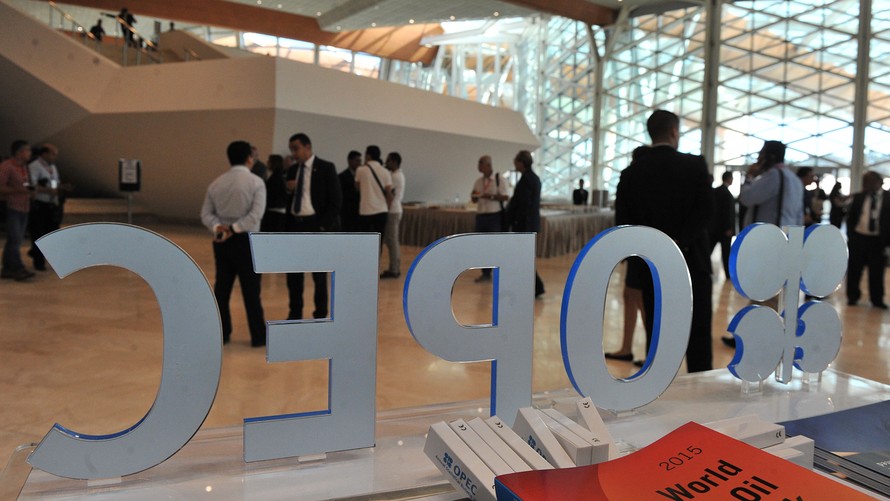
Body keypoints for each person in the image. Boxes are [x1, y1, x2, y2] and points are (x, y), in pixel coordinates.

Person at [614, 110, 714, 372]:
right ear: (673, 132)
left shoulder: (631, 173)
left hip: (652, 266)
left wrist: (656, 249)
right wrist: (680, 242)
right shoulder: (695, 165)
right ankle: (702, 395)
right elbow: (706, 211)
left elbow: (624, 225)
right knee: (699, 335)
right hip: (693, 263)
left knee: (657, 334)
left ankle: (658, 391)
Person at [200, 140, 266, 346]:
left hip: (222, 242)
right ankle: (258, 336)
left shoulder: (216, 183)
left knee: (222, 288)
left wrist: (219, 227)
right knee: (251, 291)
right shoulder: (256, 182)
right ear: (249, 158)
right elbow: (256, 215)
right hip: (248, 242)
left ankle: (223, 332)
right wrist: (235, 228)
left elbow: (205, 214)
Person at [285, 133, 341, 320]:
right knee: (293, 273)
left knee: (318, 274)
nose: (293, 153)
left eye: (296, 148)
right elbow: (287, 199)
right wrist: (288, 189)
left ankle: (320, 312)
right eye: (291, 149)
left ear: (308, 147)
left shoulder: (325, 168)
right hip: (295, 224)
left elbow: (336, 201)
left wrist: (323, 227)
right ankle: (295, 312)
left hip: (316, 225)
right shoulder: (293, 170)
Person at [845, 171, 890, 309]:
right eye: (865, 182)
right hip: (859, 238)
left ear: (879, 182)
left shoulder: (888, 198)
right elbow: (850, 218)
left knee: (877, 271)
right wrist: (851, 237)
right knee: (855, 269)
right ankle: (852, 296)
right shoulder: (859, 197)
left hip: (878, 241)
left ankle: (877, 299)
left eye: (870, 182)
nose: (867, 185)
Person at [506, 150, 545, 298]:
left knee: (523, 257)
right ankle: (533, 286)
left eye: (516, 161)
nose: (514, 164)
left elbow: (523, 203)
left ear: (521, 162)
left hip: (524, 224)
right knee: (525, 257)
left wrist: (514, 219)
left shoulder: (526, 180)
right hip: (530, 223)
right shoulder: (534, 178)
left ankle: (536, 286)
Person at [738, 140, 804, 227]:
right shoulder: (795, 179)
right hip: (786, 231)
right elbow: (799, 214)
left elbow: (747, 198)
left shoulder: (774, 176)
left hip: (768, 234)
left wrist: (749, 177)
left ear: (770, 156)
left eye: (761, 154)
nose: (758, 159)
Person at [27, 144, 70, 271]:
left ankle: (38, 253)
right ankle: (38, 261)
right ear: (44, 154)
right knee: (39, 233)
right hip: (40, 204)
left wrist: (60, 187)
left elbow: (53, 182)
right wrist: (47, 191)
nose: (55, 157)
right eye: (53, 154)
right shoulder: (34, 166)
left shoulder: (52, 167)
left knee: (52, 232)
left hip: (51, 204)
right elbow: (32, 185)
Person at [0, 140, 36, 281]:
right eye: (27, 150)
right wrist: (19, 190)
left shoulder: (24, 167)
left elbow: (25, 184)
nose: (29, 153)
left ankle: (8, 269)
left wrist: (30, 191)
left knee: (16, 240)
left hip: (24, 207)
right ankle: (18, 268)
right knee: (15, 239)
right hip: (12, 207)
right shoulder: (6, 166)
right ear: (19, 152)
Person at [470, 154, 509, 282]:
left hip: (494, 216)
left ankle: (497, 271)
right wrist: (475, 197)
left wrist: (491, 197)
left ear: (488, 165)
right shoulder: (478, 181)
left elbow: (505, 196)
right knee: (481, 245)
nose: (478, 166)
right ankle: (485, 273)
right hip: (481, 215)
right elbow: (474, 198)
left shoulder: (499, 179)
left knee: (493, 245)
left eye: (481, 163)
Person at [355, 145, 392, 239]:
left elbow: (357, 188)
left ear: (368, 155)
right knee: (378, 241)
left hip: (366, 210)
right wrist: (387, 208)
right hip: (381, 211)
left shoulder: (360, 170)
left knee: (365, 241)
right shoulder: (386, 172)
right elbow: (389, 193)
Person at [380, 152, 404, 279]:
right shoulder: (397, 175)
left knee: (392, 241)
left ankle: (394, 269)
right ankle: (393, 268)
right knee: (391, 241)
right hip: (395, 210)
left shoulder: (395, 176)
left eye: (388, 160)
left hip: (393, 211)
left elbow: (390, 194)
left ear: (394, 162)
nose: (386, 162)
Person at [709, 171, 736, 279]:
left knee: (708, 251)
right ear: (729, 179)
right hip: (725, 230)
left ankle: (706, 271)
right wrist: (729, 227)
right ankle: (728, 275)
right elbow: (727, 212)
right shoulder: (727, 194)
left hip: (714, 228)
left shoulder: (715, 191)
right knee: (726, 254)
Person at [260, 154, 288, 232]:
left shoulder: (276, 178)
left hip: (275, 211)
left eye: (269, 161)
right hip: (275, 210)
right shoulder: (276, 176)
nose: (267, 162)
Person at [339, 150, 362, 232]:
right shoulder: (342, 177)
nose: (359, 163)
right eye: (357, 160)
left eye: (360, 161)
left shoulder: (362, 176)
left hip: (360, 213)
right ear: (349, 161)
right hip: (347, 213)